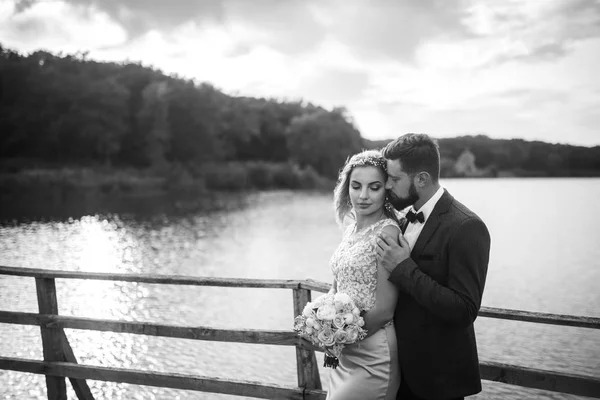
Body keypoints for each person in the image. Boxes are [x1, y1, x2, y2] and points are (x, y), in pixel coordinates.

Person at [375, 133, 491, 400]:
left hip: (439, 382)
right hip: (397, 374)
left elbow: (464, 309)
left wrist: (404, 268)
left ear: (422, 179)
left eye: (394, 179)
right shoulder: (401, 222)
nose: (387, 186)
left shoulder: (466, 227)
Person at [326, 149, 402, 400]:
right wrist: (324, 322)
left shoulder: (387, 233)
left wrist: (341, 338)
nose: (363, 196)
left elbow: (384, 310)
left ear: (386, 191)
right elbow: (338, 286)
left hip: (373, 354)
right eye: (356, 186)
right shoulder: (350, 230)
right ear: (347, 187)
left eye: (374, 187)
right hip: (343, 354)